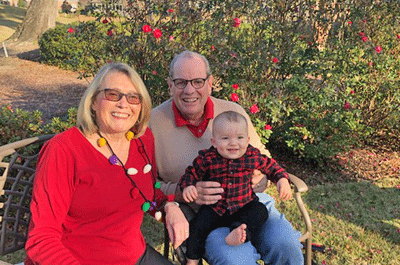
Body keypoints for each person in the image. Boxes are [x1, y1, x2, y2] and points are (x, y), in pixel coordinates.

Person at [25, 63, 189, 265]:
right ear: (93, 101)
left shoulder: (142, 139)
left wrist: (169, 206)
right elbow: (41, 239)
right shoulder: (63, 151)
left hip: (134, 256)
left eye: (133, 97)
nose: (123, 104)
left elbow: (146, 190)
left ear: (141, 106)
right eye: (112, 94)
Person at [150, 50, 304, 264]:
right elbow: (145, 185)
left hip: (251, 204)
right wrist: (181, 192)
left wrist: (263, 178)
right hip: (207, 216)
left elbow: (264, 158)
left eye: (197, 81)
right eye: (180, 82)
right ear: (169, 84)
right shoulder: (153, 123)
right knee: (236, 260)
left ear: (210, 82)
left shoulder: (233, 111)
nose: (189, 90)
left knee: (286, 245)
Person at [180, 111, 293, 265]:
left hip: (244, 205)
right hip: (216, 208)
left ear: (247, 140)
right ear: (214, 141)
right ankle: (192, 259)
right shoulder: (208, 158)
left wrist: (281, 179)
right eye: (225, 138)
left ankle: (239, 233)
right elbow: (191, 173)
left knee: (260, 211)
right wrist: (188, 186)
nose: (233, 143)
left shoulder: (252, 156)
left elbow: (272, 166)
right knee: (197, 225)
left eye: (239, 138)